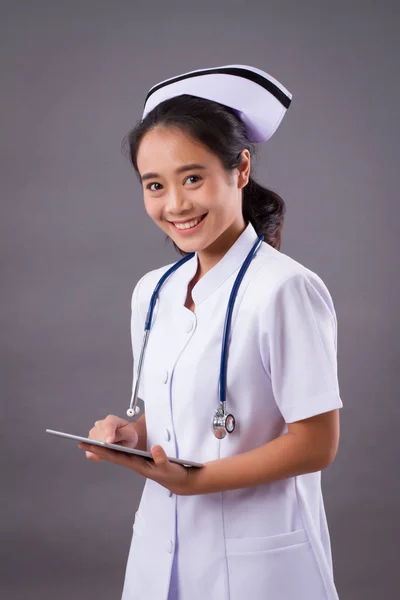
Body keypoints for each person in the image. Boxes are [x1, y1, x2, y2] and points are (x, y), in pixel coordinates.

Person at [78, 64, 343, 600]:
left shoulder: (285, 289)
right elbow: (181, 410)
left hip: (257, 564)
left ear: (240, 169)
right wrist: (132, 436)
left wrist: (196, 482)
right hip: (160, 552)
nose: (175, 205)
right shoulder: (152, 291)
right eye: (155, 185)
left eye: (192, 177)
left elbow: (316, 444)